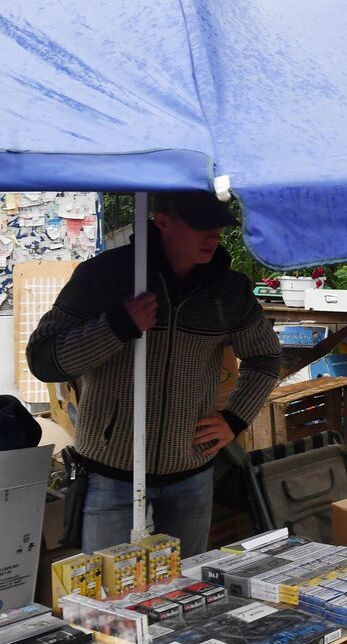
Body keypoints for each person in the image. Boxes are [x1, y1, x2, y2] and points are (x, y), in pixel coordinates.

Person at [26, 192, 280, 555]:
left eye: (218, 227)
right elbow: (44, 359)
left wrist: (234, 419)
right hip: (109, 474)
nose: (213, 236)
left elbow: (266, 358)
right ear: (162, 220)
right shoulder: (102, 277)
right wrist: (116, 325)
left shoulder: (229, 290)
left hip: (191, 474)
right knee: (107, 599)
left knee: (183, 590)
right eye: (200, 225)